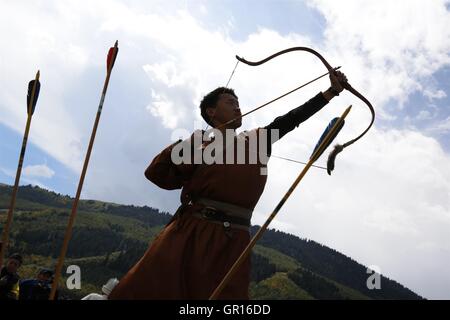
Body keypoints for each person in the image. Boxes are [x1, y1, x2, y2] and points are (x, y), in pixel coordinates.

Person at [109, 71, 348, 300]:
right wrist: (179, 146)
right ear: (211, 112)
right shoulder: (199, 146)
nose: (237, 106)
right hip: (190, 231)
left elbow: (292, 118)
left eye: (238, 102)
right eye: (229, 101)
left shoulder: (257, 139)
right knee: (152, 290)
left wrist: (331, 92)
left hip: (234, 239)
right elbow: (156, 174)